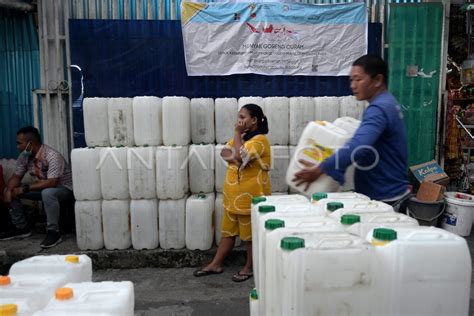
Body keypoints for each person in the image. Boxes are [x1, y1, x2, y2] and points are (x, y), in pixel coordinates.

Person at [293, 54, 410, 207]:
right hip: (389, 191)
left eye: (358, 79)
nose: (353, 85)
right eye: (351, 80)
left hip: (386, 197)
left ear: (377, 80)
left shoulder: (379, 108)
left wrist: (321, 168)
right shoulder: (388, 103)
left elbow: (359, 146)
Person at [194, 103, 271, 282]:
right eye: (239, 117)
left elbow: (240, 156)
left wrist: (236, 141)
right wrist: (235, 153)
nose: (239, 121)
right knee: (228, 232)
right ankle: (216, 264)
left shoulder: (260, 140)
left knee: (249, 236)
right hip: (233, 197)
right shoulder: (244, 137)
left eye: (243, 117)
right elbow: (224, 152)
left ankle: (249, 267)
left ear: (254, 120)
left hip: (249, 198)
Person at [0, 126, 74, 248]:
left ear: (30, 144)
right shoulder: (24, 156)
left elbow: (52, 182)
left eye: (19, 143)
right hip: (41, 189)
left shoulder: (52, 156)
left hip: (63, 189)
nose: (17, 147)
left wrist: (24, 188)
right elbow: (16, 177)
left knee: (48, 193)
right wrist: (8, 190)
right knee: (11, 190)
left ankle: (53, 232)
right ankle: (21, 228)